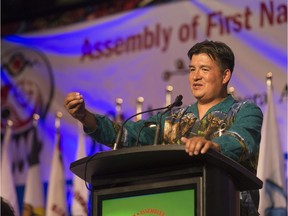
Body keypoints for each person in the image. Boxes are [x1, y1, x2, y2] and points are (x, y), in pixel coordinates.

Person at [64, 40, 263, 215]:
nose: (195, 76)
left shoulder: (245, 111)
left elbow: (242, 139)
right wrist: (86, 117)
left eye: (204, 69)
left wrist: (213, 147)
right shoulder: (173, 118)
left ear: (225, 75)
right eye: (192, 69)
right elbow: (127, 135)